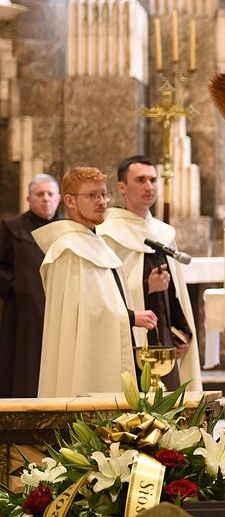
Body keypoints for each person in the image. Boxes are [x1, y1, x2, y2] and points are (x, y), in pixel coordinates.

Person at [32, 167, 158, 397]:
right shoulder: (68, 250)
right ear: (69, 201)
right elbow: (82, 314)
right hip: (85, 359)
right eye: (92, 196)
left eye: (104, 195)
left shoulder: (95, 243)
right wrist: (130, 317)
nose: (102, 202)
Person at [97, 156, 202, 391]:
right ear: (122, 187)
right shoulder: (109, 233)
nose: (149, 186)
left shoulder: (164, 233)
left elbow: (175, 292)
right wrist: (146, 287)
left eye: (153, 180)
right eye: (140, 180)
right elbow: (106, 292)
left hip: (162, 332)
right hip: (132, 337)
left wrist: (181, 331)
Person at [0, 174, 61, 397]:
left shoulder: (67, 230)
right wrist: (17, 286)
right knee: (25, 365)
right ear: (28, 198)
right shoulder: (11, 227)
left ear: (60, 198)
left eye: (50, 194)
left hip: (60, 308)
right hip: (23, 314)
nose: (46, 199)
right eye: (40, 194)